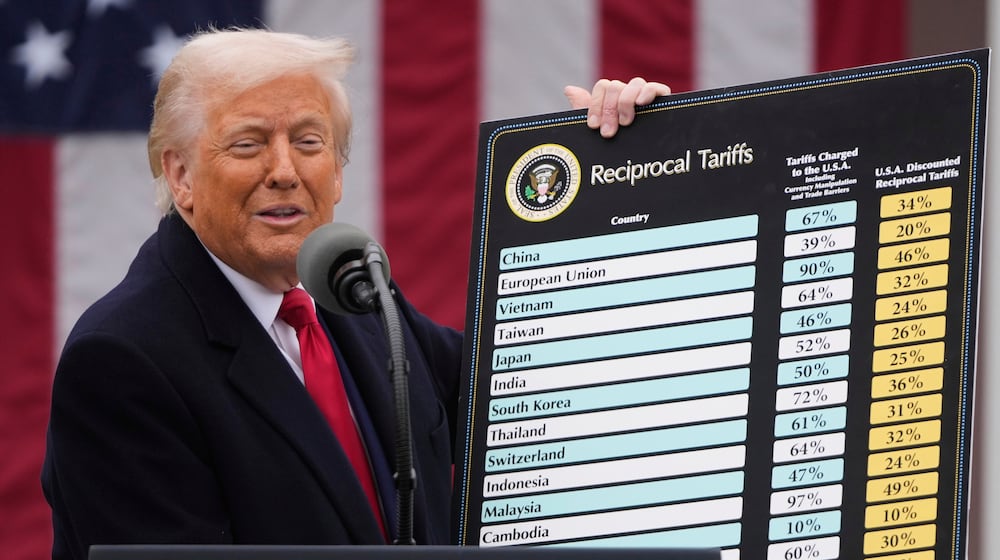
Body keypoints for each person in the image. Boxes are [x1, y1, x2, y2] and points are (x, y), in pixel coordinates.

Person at [40, 28, 670, 560]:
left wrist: (625, 175)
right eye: (248, 143)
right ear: (180, 175)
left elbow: (535, 397)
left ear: (338, 172)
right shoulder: (122, 360)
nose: (284, 171)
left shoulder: (355, 294)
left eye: (308, 142)